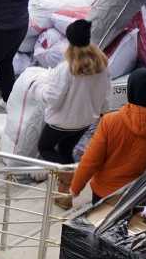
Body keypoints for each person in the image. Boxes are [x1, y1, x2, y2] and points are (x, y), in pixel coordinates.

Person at [37, 19, 110, 209]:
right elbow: (105, 94)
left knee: (45, 148)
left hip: (60, 122)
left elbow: (53, 98)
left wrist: (40, 87)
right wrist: (102, 113)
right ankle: (65, 195)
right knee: (65, 150)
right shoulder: (101, 64)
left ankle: (70, 177)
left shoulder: (67, 68)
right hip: (85, 121)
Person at [71, 68, 146, 204]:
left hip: (105, 194)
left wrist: (75, 188)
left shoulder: (110, 121)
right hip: (140, 196)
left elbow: (91, 160)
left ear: (130, 90)